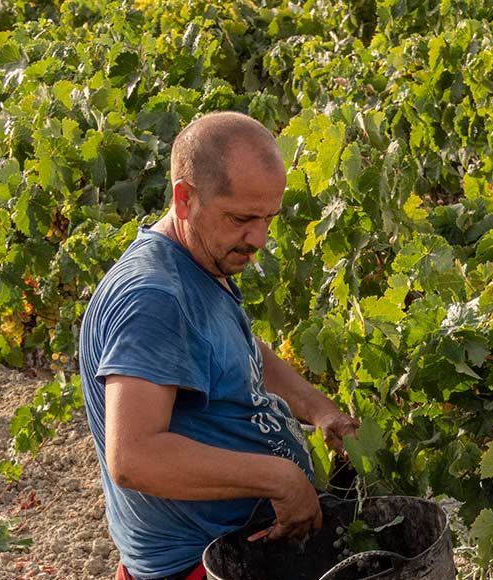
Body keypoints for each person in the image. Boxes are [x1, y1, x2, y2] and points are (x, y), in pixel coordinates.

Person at [79, 111, 359, 580]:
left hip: (246, 542)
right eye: (242, 218)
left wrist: (318, 408)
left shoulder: (201, 259)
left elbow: (238, 348)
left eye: (268, 218)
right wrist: (281, 478)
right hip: (202, 567)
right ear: (184, 199)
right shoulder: (154, 300)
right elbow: (133, 457)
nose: (259, 239)